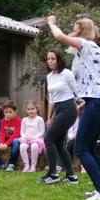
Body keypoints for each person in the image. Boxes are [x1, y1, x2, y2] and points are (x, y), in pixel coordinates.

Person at [47, 16, 100, 200]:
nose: (72, 32)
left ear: (81, 31)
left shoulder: (85, 44)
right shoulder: (96, 50)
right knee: (90, 147)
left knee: (81, 148)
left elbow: (60, 37)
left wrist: (52, 23)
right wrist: (86, 101)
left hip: (99, 102)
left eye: (75, 29)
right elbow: (98, 80)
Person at [39, 48, 78, 184]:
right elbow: (52, 99)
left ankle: (53, 174)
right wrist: (49, 118)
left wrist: (81, 105)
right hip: (59, 109)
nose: (50, 61)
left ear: (59, 59)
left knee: (48, 139)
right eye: (48, 59)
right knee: (59, 144)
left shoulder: (67, 74)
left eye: (53, 58)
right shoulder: (49, 76)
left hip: (69, 109)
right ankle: (71, 176)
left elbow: (77, 91)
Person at [0, 100, 21, 171]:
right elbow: (2, 133)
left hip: (13, 139)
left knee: (16, 142)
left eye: (10, 112)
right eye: (6, 112)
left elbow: (16, 134)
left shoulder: (18, 120)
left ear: (15, 112)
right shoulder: (3, 121)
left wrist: (6, 144)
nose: (8, 114)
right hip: (5, 140)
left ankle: (11, 164)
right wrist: (1, 143)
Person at [19, 101, 45, 173]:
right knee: (22, 147)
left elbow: (42, 131)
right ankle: (26, 165)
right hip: (26, 139)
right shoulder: (24, 120)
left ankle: (33, 165)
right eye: (28, 109)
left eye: (32, 109)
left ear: (37, 109)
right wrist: (25, 137)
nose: (30, 111)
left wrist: (34, 138)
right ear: (26, 110)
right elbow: (22, 132)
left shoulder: (39, 119)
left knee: (34, 146)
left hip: (36, 139)